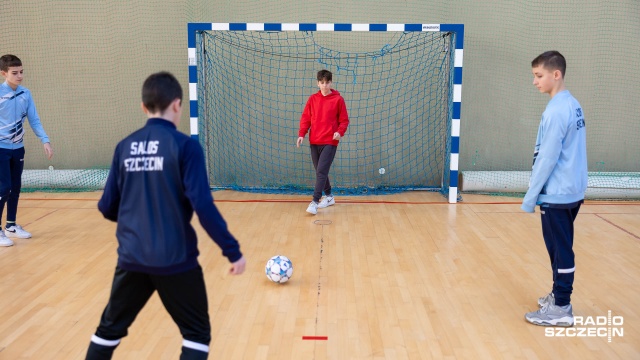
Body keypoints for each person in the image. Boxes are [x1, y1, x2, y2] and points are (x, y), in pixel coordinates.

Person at [85, 72, 246, 360]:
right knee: (196, 336)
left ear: (143, 108)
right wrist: (232, 251)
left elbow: (107, 206)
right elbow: (203, 206)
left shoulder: (124, 146)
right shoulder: (186, 146)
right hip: (175, 259)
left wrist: (138, 222)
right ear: (177, 105)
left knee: (108, 331)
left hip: (132, 258)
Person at [522, 51, 587, 327]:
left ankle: (562, 306)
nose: (535, 82)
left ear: (555, 74)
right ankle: (558, 296)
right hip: (572, 190)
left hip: (558, 193)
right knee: (559, 248)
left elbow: (547, 159)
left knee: (560, 249)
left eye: (539, 76)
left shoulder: (556, 111)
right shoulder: (572, 104)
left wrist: (530, 197)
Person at [0, 54, 54, 247]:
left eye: (21, 72)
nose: (20, 76)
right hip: (1, 149)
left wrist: (45, 140)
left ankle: (11, 225)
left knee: (15, 188)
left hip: (18, 149)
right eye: (15, 73)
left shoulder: (25, 94)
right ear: (4, 73)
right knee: (3, 188)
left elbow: (34, 119)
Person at [296, 69, 349, 215]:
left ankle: (314, 201)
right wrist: (302, 134)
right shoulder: (312, 99)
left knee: (321, 171)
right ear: (318, 83)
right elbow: (306, 118)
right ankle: (330, 196)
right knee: (321, 171)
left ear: (331, 83)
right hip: (314, 141)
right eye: (322, 83)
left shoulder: (338, 100)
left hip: (330, 141)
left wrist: (339, 132)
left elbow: (344, 120)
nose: (324, 85)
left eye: (327, 82)